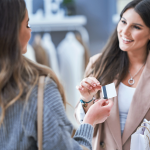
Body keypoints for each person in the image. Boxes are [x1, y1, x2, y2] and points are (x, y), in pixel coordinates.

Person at [0, 0, 113, 150]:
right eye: (27, 25)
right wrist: (89, 119)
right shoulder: (39, 91)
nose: (30, 31)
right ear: (12, 31)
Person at [75, 0, 150, 149]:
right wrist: (86, 100)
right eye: (123, 22)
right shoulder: (99, 64)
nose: (125, 31)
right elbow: (84, 121)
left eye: (136, 27)